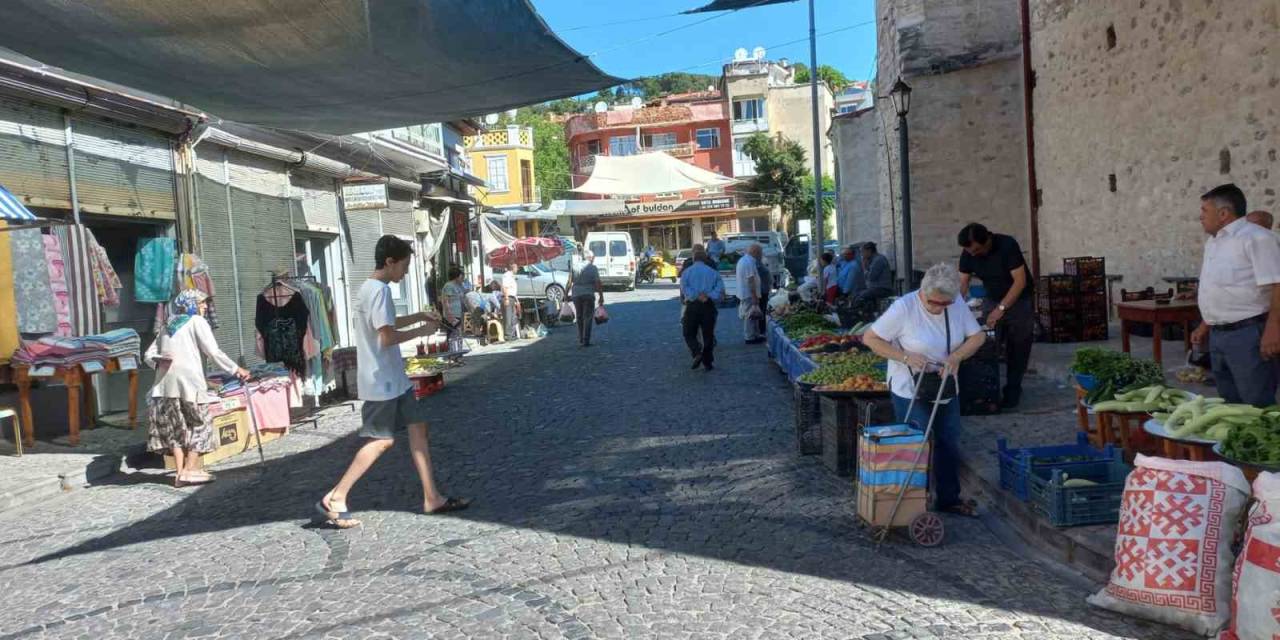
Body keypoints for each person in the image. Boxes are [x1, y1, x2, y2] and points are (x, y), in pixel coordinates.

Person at [317, 235, 467, 529]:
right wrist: (423, 329)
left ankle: (432, 497)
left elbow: (386, 324)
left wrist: (416, 316)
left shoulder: (369, 288)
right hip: (381, 380)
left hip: (393, 379)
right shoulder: (380, 291)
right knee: (381, 440)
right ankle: (336, 496)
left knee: (418, 429)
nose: (406, 272)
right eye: (405, 265)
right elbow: (386, 337)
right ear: (390, 262)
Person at [862, 263, 987, 518]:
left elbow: (977, 337)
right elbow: (870, 339)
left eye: (945, 304)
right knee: (917, 444)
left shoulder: (956, 304)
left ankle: (949, 498)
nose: (938, 308)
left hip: (945, 385)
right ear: (922, 292)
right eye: (933, 303)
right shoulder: (904, 309)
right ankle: (914, 501)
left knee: (948, 441)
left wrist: (957, 357)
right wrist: (905, 357)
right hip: (910, 388)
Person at [144, 289, 250, 487]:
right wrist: (236, 369)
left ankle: (179, 473)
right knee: (201, 424)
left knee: (177, 429)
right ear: (191, 304)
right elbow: (213, 352)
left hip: (165, 385)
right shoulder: (197, 322)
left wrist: (160, 363)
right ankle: (191, 469)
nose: (205, 306)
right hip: (190, 384)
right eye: (201, 303)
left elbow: (149, 354)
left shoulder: (168, 325)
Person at [1192, 184, 1280, 406]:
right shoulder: (1213, 243)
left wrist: (1273, 329)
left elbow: (1278, 284)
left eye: (1205, 210)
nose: (1200, 216)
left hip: (1248, 334)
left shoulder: (1257, 238)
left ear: (1223, 214)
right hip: (1219, 337)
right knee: (1230, 404)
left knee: (1257, 404)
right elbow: (1222, 288)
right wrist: (1206, 324)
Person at [957, 222, 1034, 409]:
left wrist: (1001, 309)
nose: (972, 254)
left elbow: (1020, 281)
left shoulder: (1007, 245)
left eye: (976, 250)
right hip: (992, 297)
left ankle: (1013, 389)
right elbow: (963, 283)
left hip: (1019, 300)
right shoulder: (968, 252)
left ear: (987, 241)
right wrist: (955, 309)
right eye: (969, 251)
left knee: (1018, 345)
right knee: (986, 344)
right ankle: (986, 391)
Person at [680, 246, 724, 371]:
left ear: (694, 259)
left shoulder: (686, 272)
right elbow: (720, 289)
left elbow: (684, 288)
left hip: (693, 305)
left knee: (688, 332)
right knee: (708, 334)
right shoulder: (713, 272)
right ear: (705, 259)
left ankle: (696, 352)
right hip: (708, 305)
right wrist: (709, 296)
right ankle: (708, 361)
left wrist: (695, 295)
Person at [567, 249, 605, 347]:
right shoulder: (593, 268)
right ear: (590, 258)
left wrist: (565, 294)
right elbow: (598, 283)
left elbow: (569, 282)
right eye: (593, 258)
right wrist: (601, 296)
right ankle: (585, 340)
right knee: (587, 317)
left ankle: (580, 338)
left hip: (576, 294)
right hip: (588, 294)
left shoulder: (574, 266)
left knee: (579, 316)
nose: (594, 259)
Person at [736, 243, 764, 344]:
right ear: (755, 253)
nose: (761, 255)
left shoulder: (745, 260)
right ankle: (749, 337)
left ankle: (755, 334)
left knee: (754, 314)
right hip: (748, 294)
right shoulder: (749, 262)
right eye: (760, 253)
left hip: (746, 293)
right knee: (750, 315)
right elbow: (750, 280)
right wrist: (754, 296)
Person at [853, 242, 893, 308]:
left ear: (869, 251)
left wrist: (864, 267)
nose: (862, 255)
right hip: (875, 288)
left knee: (860, 297)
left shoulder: (878, 260)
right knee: (856, 294)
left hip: (882, 289)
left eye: (863, 252)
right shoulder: (873, 260)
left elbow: (871, 277)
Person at [440, 266, 466, 336]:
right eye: (460, 275)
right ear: (456, 276)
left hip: (457, 314)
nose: (462, 277)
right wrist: (450, 316)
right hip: (452, 316)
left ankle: (458, 347)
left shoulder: (457, 285)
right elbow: (445, 301)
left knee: (458, 335)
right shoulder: (449, 286)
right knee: (452, 336)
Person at [501, 267, 520, 340]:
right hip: (508, 297)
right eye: (516, 267)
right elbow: (505, 287)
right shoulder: (507, 275)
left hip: (512, 298)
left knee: (513, 317)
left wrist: (516, 300)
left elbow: (513, 290)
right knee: (508, 317)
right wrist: (506, 298)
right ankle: (507, 335)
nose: (517, 269)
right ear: (512, 267)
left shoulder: (512, 276)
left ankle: (511, 334)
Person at [756, 254, 772, 337]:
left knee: (762, 310)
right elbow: (768, 279)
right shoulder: (761, 268)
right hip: (762, 291)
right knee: (762, 310)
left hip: (762, 290)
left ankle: (761, 330)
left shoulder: (758, 266)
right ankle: (761, 330)